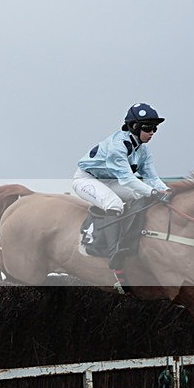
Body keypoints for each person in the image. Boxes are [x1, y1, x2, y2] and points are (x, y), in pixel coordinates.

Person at [72, 102, 171, 269]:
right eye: (148, 127)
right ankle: (113, 254)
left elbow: (152, 178)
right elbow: (128, 180)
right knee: (115, 204)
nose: (152, 132)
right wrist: (154, 192)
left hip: (109, 181)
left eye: (155, 128)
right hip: (86, 179)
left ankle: (129, 241)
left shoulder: (143, 150)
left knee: (140, 195)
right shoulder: (117, 146)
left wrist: (167, 191)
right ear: (134, 126)